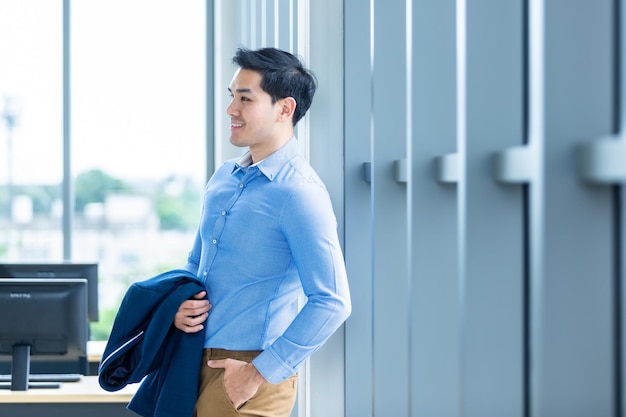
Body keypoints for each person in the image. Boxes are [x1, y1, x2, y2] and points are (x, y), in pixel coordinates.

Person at [174, 46, 352, 417]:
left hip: (250, 374)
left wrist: (258, 373)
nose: (231, 110)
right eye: (231, 96)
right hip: (192, 361)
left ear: (285, 109)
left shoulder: (300, 193)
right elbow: (197, 261)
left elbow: (333, 301)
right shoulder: (223, 178)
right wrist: (180, 305)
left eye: (245, 98)